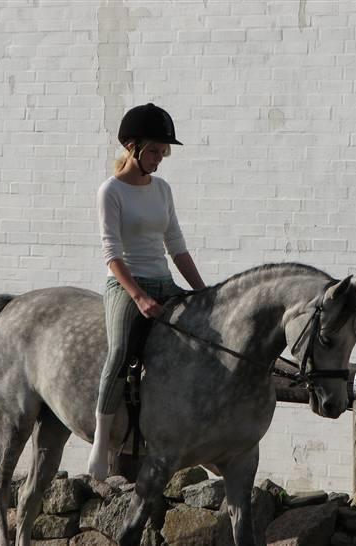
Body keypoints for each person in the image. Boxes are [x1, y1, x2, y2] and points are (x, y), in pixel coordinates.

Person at [87, 103, 206, 480]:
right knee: (121, 351)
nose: (159, 158)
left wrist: (203, 292)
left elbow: (177, 245)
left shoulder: (163, 190)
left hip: (163, 281)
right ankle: (102, 442)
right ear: (132, 146)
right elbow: (112, 253)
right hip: (127, 285)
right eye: (154, 150)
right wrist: (137, 296)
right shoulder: (111, 191)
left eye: (162, 152)